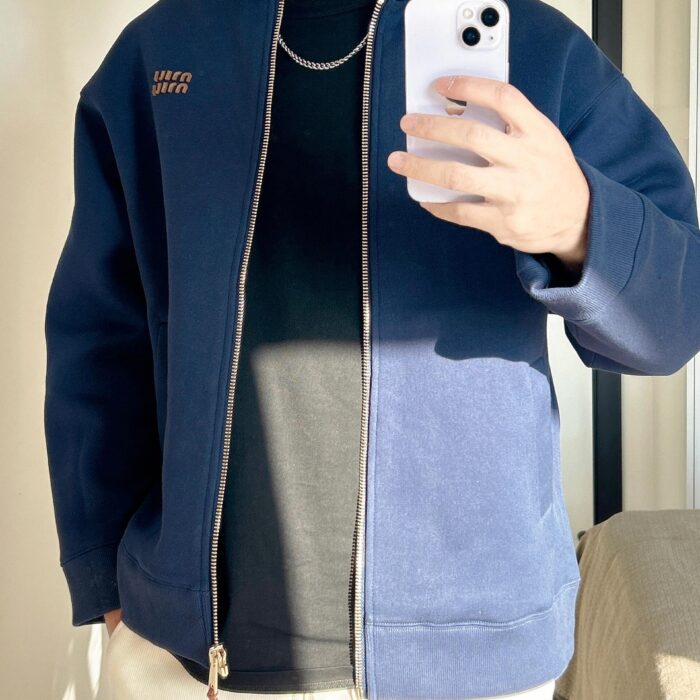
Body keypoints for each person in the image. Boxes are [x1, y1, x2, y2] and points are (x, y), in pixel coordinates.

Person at [43, 0, 700, 698]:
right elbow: (99, 336)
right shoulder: (159, 50)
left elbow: (674, 322)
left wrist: (578, 221)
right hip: (181, 657)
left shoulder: (539, 49)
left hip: (471, 659)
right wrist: (105, 583)